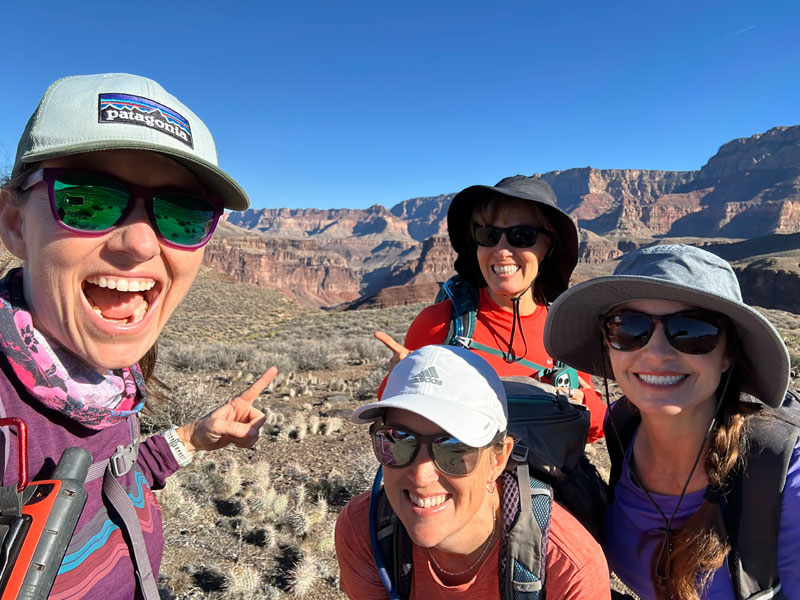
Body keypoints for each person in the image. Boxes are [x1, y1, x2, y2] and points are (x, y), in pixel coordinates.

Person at [0, 73, 276, 599]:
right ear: (15, 223)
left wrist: (193, 438)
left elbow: (110, 479)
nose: (143, 242)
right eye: (88, 200)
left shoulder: (101, 378)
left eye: (183, 215)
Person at [543, 244, 800, 599]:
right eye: (628, 328)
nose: (656, 353)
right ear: (608, 343)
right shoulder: (625, 426)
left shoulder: (783, 470)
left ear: (728, 353)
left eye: (692, 331)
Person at [335, 344, 610, 599]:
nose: (421, 475)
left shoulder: (568, 568)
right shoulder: (366, 531)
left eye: (453, 448)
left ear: (498, 459)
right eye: (398, 439)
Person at [375, 176, 605, 441]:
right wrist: (402, 382)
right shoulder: (439, 324)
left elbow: (596, 428)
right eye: (488, 235)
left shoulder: (565, 331)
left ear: (547, 246)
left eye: (523, 236)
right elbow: (396, 426)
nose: (501, 250)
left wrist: (581, 402)